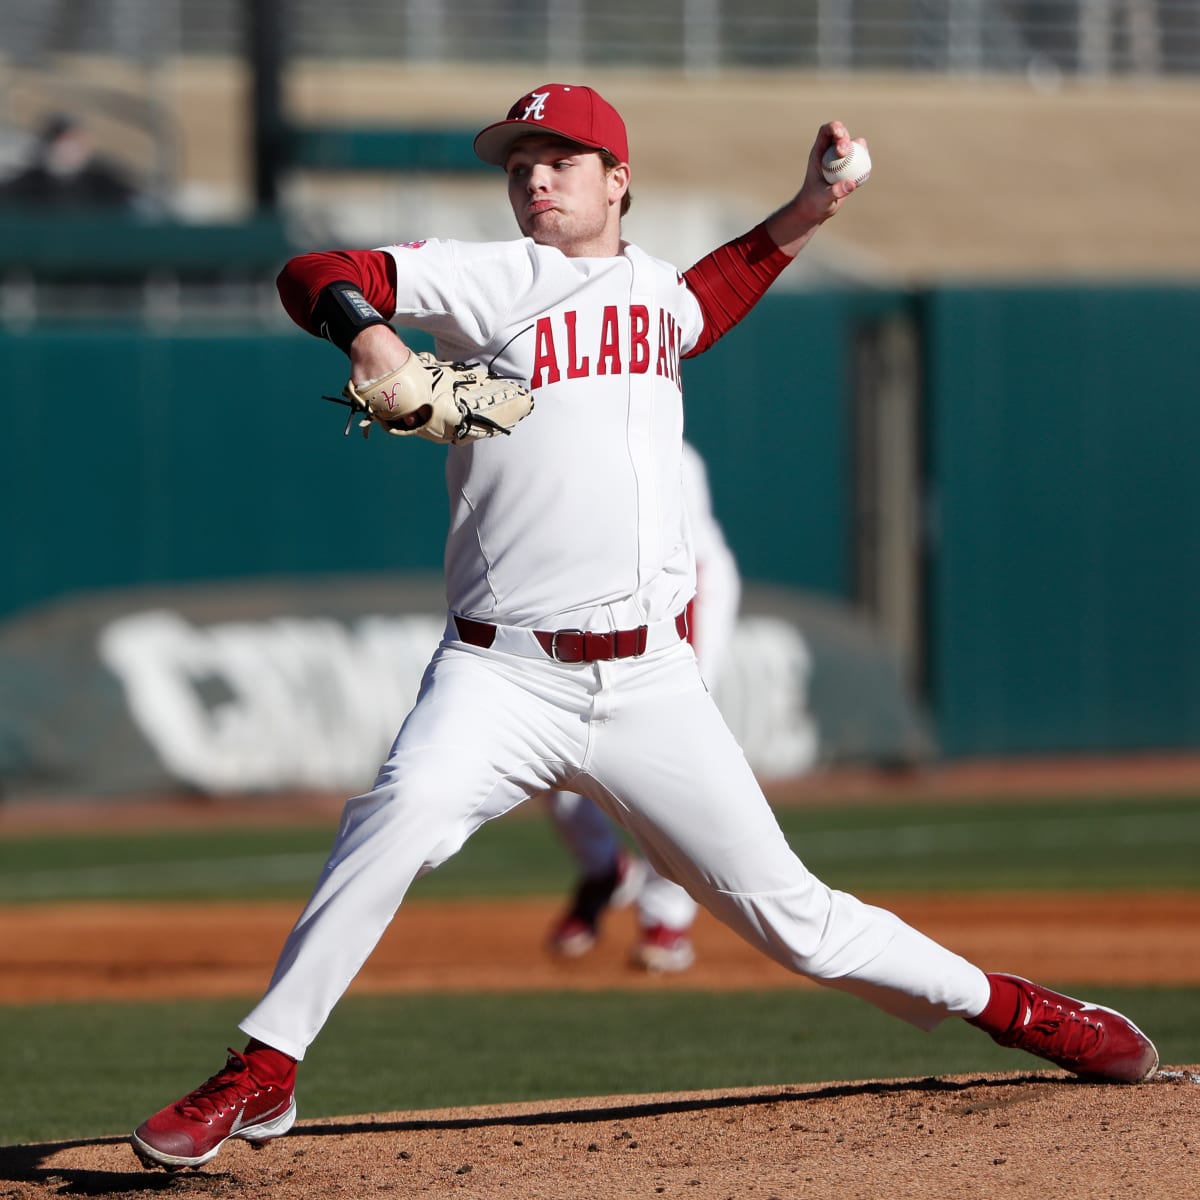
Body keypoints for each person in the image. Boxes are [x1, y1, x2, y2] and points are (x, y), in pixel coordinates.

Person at [131, 82, 1158, 1172]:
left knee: (796, 920)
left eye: (561, 158)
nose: (534, 175)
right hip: (500, 676)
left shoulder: (658, 294)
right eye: (519, 160)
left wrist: (807, 208)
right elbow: (312, 272)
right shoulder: (488, 278)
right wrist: (370, 331)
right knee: (392, 818)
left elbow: (715, 291)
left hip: (650, 684)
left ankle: (1016, 1008)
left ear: (618, 178)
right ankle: (267, 1068)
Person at [546, 441, 739, 973]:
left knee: (669, 751)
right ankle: (604, 870)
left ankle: (665, 917)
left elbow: (684, 569)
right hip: (580, 597)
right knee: (548, 748)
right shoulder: (563, 434)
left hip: (680, 594)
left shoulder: (668, 450)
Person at [0, 113, 140, 212]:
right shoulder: (29, 184)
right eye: (67, 140)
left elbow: (135, 202)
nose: (73, 147)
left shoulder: (101, 181)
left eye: (78, 140)